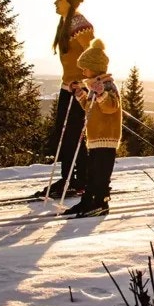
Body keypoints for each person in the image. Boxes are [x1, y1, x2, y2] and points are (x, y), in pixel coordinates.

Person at [36, 0, 94, 199]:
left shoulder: (80, 24)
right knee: (65, 134)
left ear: (70, 2)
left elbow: (94, 55)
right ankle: (69, 177)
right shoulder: (65, 22)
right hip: (67, 86)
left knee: (73, 136)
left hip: (79, 88)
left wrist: (86, 82)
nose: (55, 3)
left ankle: (79, 181)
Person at [63, 38, 121, 217]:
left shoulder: (108, 85)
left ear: (95, 67)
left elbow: (112, 106)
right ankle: (88, 200)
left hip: (107, 138)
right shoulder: (94, 86)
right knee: (91, 173)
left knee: (101, 174)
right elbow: (90, 108)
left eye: (85, 68)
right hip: (95, 138)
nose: (83, 71)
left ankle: (101, 202)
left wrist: (101, 93)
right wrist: (81, 95)